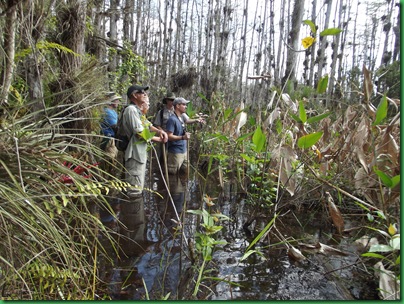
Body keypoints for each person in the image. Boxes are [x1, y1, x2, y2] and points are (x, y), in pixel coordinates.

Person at [123, 85, 168, 197]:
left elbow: (147, 124)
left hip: (140, 154)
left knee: (138, 187)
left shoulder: (138, 112)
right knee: (134, 191)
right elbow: (139, 133)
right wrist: (158, 139)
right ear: (134, 95)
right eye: (142, 92)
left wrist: (159, 131)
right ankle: (133, 213)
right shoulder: (131, 110)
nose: (145, 94)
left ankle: (136, 212)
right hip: (134, 155)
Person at [165, 97, 193, 176]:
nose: (186, 106)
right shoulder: (172, 119)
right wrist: (182, 137)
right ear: (177, 106)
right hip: (175, 152)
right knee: (172, 175)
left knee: (184, 174)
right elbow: (169, 136)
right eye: (184, 104)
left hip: (184, 150)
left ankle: (184, 188)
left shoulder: (181, 118)